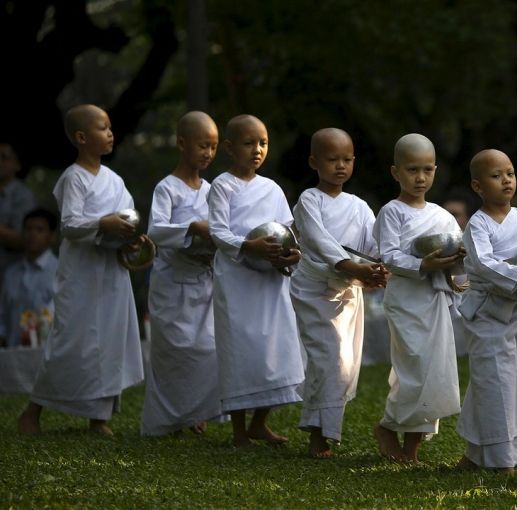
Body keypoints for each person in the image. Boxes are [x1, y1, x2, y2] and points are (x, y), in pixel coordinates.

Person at [18, 104, 145, 436]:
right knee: (71, 340)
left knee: (109, 340)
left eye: (110, 127)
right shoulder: (72, 178)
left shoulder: (115, 181)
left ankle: (98, 418)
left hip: (112, 273)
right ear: (81, 137)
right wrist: (104, 222)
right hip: (82, 273)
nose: (110, 133)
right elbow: (71, 225)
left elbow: (128, 218)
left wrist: (131, 239)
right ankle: (33, 410)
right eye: (103, 128)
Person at [455, 149, 517, 473]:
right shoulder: (477, 225)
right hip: (487, 313)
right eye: (496, 176)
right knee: (494, 382)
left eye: (509, 173)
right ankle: (500, 462)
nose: (506, 180)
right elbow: (485, 265)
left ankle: (475, 455)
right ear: (477, 186)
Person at [290, 127, 387, 458]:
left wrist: (378, 268)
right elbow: (317, 240)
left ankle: (321, 429)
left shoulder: (359, 206)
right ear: (314, 162)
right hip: (315, 289)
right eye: (332, 159)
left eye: (346, 159)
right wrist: (351, 266)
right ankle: (319, 437)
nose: (340, 166)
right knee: (329, 358)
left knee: (345, 363)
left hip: (348, 292)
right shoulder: (309, 200)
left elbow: (373, 245)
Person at [208, 114, 303, 447]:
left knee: (273, 349)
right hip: (236, 278)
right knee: (240, 350)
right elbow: (218, 232)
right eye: (249, 143)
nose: (257, 150)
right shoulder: (222, 185)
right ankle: (237, 430)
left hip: (270, 279)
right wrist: (249, 246)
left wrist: (292, 255)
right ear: (229, 148)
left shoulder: (272, 188)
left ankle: (259, 423)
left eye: (263, 143)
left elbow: (288, 231)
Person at [372, 133, 463, 463]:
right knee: (413, 368)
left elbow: (459, 251)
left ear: (435, 170)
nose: (420, 177)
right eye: (412, 170)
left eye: (427, 169)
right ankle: (387, 426)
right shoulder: (392, 212)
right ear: (395, 172)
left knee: (435, 372)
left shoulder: (442, 216)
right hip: (406, 300)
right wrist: (423, 264)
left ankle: (412, 447)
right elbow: (389, 256)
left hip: (435, 300)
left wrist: (455, 273)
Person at [140, 111, 223, 437]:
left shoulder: (213, 189)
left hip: (204, 280)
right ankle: (166, 421)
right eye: (203, 145)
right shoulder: (167, 188)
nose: (208, 153)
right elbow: (156, 231)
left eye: (214, 147)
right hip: (172, 283)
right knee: (172, 352)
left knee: (206, 349)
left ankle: (194, 411)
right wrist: (193, 227)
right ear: (181, 144)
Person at [0, 208, 58, 349]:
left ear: (51, 236)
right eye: (28, 229)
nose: (32, 234)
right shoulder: (11, 273)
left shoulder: (61, 272)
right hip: (11, 356)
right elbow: (2, 313)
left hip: (47, 358)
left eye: (39, 230)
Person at [0, 142, 37, 290]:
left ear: (17, 165)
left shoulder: (24, 196)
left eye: (4, 157)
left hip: (8, 279)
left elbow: (24, 239)